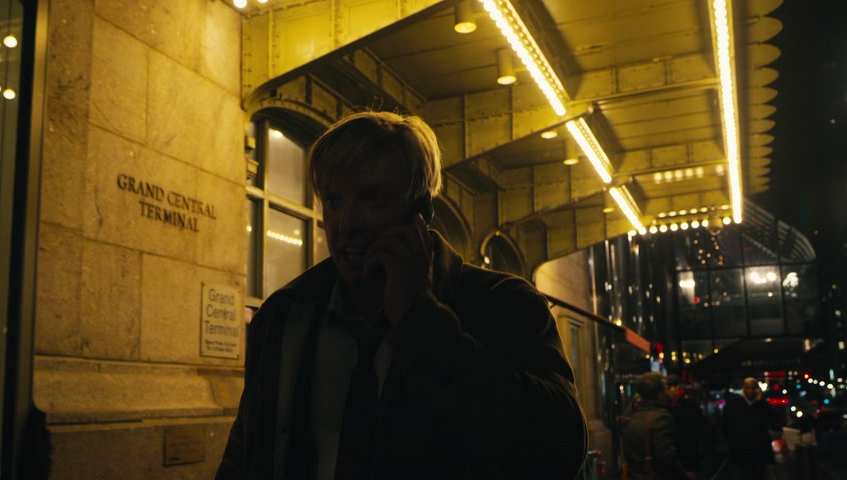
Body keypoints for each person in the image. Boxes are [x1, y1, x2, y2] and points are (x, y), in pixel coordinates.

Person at [216, 111, 588, 479]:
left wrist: (421, 318)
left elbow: (561, 446)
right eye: (333, 201)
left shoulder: (505, 305)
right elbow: (245, 455)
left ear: (420, 212)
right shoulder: (284, 316)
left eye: (372, 199)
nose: (347, 224)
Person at [621, 372, 691, 480]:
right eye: (665, 389)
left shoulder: (630, 418)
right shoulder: (661, 419)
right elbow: (667, 459)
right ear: (659, 394)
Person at [721, 377, 777, 480]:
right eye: (748, 388)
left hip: (757, 449)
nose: (750, 391)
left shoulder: (760, 403)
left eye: (753, 388)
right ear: (744, 388)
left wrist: (761, 402)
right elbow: (726, 425)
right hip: (742, 449)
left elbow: (772, 418)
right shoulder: (734, 404)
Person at [665, 374, 704, 478]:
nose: (667, 392)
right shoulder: (668, 405)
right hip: (675, 456)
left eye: (669, 388)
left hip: (688, 456)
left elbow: (697, 431)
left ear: (677, 387)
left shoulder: (689, 404)